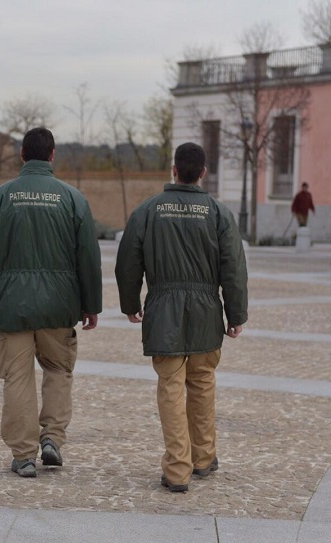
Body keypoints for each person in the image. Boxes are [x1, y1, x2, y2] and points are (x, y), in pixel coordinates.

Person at [0, 127, 103, 478]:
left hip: (13, 304)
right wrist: (91, 305)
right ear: (53, 155)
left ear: (22, 156)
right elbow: (88, 256)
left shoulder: (0, 197)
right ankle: (52, 438)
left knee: (18, 378)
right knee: (58, 371)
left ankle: (24, 454)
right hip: (60, 304)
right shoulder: (73, 199)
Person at [115, 142, 248, 493]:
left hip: (163, 309)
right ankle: (203, 457)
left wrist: (131, 303)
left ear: (174, 170)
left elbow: (127, 261)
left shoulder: (147, 211)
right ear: (203, 173)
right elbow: (233, 268)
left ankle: (177, 468)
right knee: (202, 380)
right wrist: (235, 314)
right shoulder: (219, 213)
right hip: (206, 309)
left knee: (171, 385)